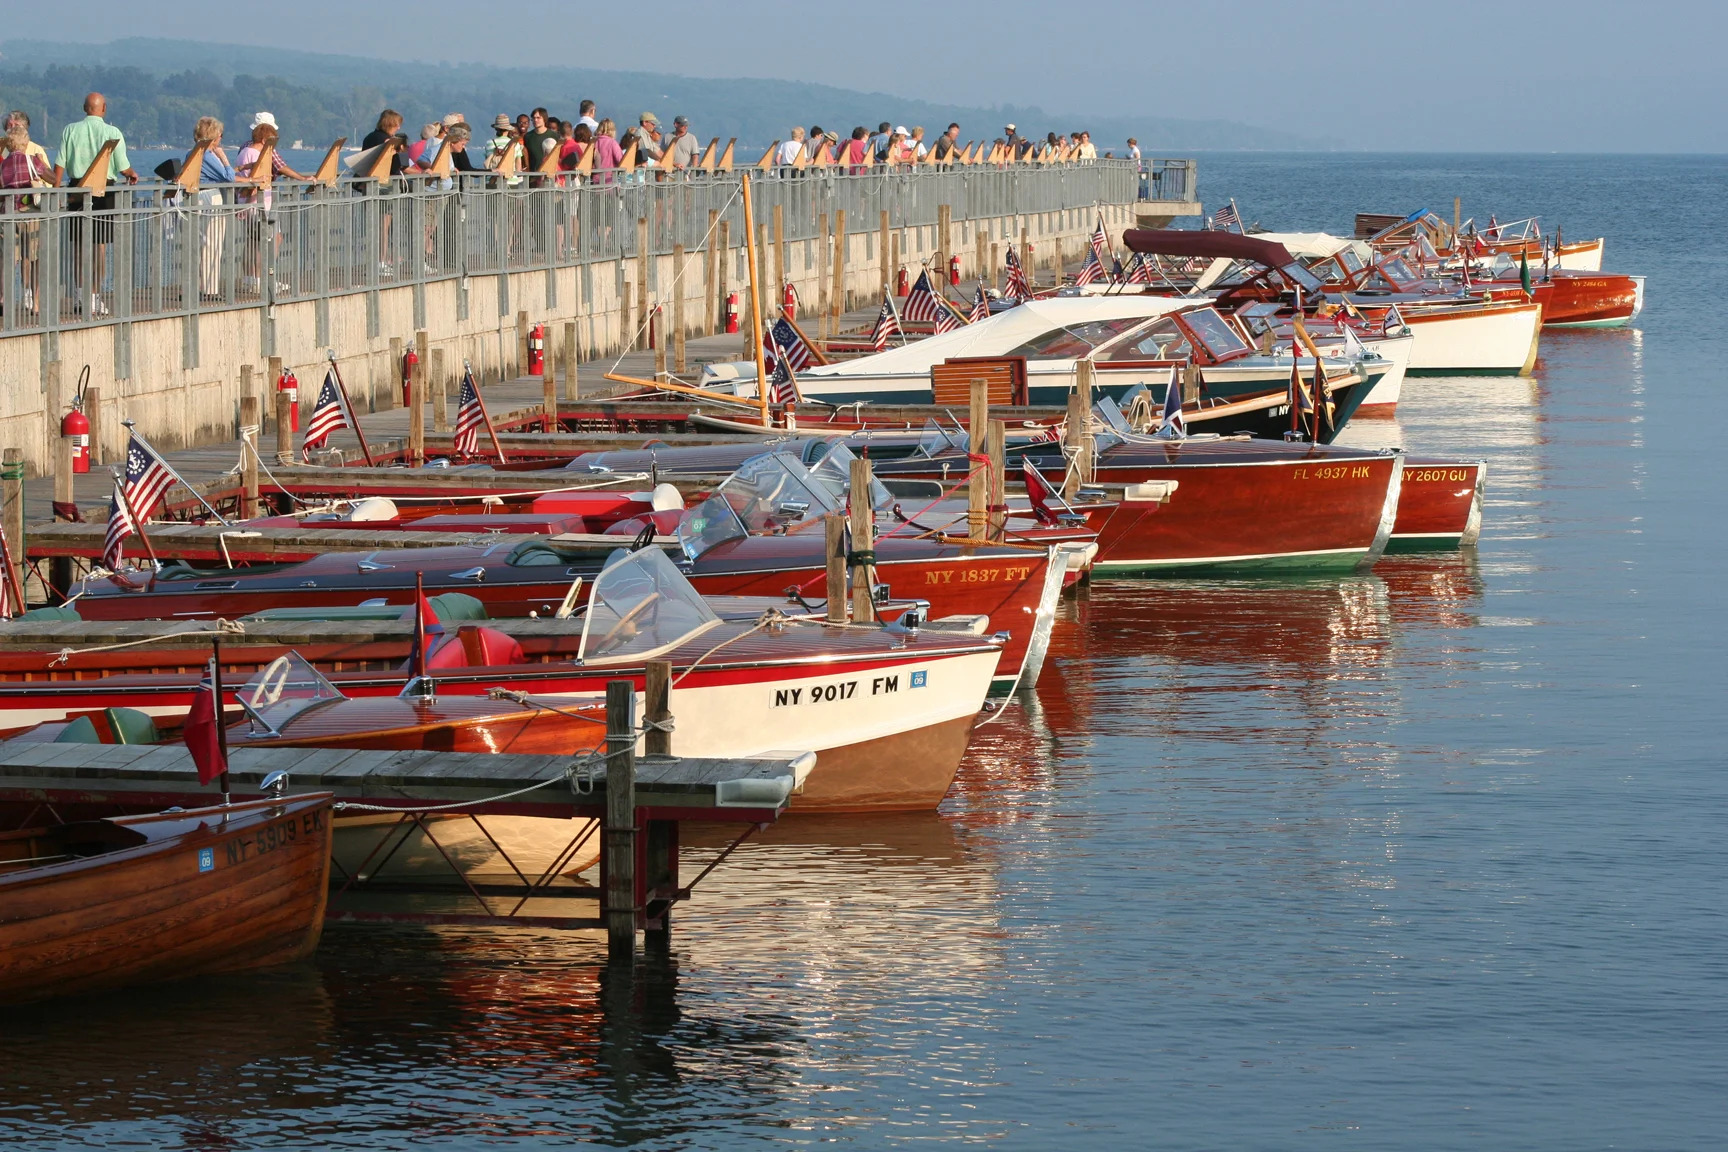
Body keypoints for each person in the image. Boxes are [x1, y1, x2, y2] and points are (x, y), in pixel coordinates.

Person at [53, 92, 138, 317]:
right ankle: (94, 295)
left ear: (84, 108)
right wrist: (132, 174)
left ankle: (80, 294)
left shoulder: (70, 130)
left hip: (76, 190)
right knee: (99, 247)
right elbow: (122, 166)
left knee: (79, 246)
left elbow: (60, 163)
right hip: (104, 190)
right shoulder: (112, 132)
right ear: (104, 108)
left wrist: (56, 191)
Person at [1, 112, 54, 315]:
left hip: (7, 214)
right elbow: (53, 179)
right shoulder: (33, 160)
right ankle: (36, 302)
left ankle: (3, 297)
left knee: (7, 258)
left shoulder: (3, 163)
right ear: (25, 142)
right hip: (30, 214)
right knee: (34, 257)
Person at [523, 107, 559, 171]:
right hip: (533, 174)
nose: (535, 120)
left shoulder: (554, 136)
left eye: (538, 118)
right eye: (533, 118)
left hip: (550, 174)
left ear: (544, 119)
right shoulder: (527, 137)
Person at [591, 118, 624, 184]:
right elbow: (621, 160)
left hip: (594, 181)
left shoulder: (593, 143)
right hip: (609, 181)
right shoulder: (612, 143)